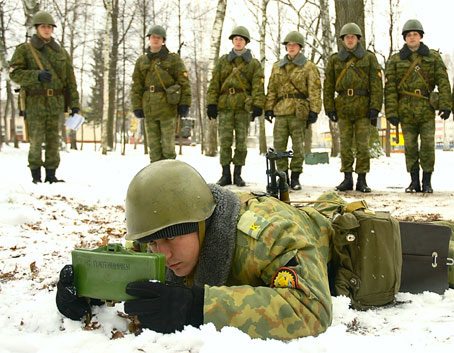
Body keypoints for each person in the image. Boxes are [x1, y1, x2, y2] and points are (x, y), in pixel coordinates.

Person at [56, 160, 333, 340]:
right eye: (153, 242)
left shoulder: (265, 237)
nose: (162, 255)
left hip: (348, 249)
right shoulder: (165, 231)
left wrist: (197, 308)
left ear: (202, 224)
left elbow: (312, 308)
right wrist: (89, 291)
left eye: (172, 239)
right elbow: (132, 260)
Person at [9, 10, 80, 184]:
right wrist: (36, 75)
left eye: (49, 27)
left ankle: (51, 175)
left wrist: (75, 105)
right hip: (35, 102)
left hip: (56, 102)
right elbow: (14, 73)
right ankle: (35, 176)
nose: (47, 30)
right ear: (36, 28)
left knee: (53, 141)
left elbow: (70, 80)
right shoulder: (25, 50)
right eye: (43, 27)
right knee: (36, 140)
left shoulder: (61, 52)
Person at [385, 19, 451, 193]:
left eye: (415, 34)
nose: (412, 38)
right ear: (405, 38)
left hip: (425, 107)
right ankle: (414, 181)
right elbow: (390, 87)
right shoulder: (396, 60)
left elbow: (443, 82)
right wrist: (391, 112)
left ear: (420, 36)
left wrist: (446, 105)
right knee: (410, 146)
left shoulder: (433, 57)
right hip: (405, 109)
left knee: (428, 145)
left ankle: (427, 181)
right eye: (408, 35)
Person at [323, 23, 383, 193]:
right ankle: (347, 178)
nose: (350, 40)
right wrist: (330, 109)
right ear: (342, 40)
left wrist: (375, 107)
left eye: (353, 37)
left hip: (363, 107)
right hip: (343, 107)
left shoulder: (369, 58)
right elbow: (328, 86)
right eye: (347, 37)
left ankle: (362, 179)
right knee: (346, 145)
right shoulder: (335, 59)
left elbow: (376, 84)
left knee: (363, 146)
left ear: (358, 39)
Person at [206, 26, 265, 187]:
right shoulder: (223, 61)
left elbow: (258, 86)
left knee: (241, 142)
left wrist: (258, 105)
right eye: (236, 39)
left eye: (241, 39)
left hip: (243, 107)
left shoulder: (253, 64)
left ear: (246, 42)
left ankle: (238, 174)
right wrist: (211, 103)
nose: (238, 42)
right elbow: (214, 83)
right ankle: (225, 174)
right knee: (224, 141)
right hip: (224, 106)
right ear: (232, 41)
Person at [264, 31, 322, 191]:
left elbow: (315, 89)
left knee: (298, 146)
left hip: (299, 111)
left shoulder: (309, 66)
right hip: (281, 111)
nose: (291, 48)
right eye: (288, 45)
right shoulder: (277, 67)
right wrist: (268, 108)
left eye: (294, 45)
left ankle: (295, 176)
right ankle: (283, 177)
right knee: (279, 146)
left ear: (300, 47)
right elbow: (272, 89)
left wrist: (315, 110)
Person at [130, 25, 191, 163]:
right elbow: (136, 86)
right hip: (149, 108)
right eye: (153, 37)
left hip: (168, 107)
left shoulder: (173, 59)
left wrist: (185, 104)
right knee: (154, 148)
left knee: (168, 148)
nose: (155, 40)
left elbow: (184, 82)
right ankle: (156, 180)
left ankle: (169, 179)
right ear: (149, 39)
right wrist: (137, 106)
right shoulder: (142, 61)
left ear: (163, 40)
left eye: (158, 37)